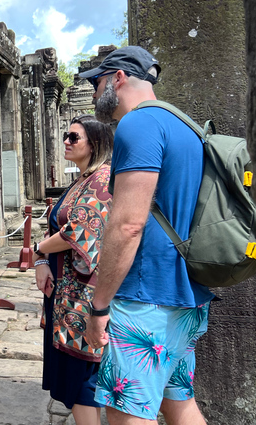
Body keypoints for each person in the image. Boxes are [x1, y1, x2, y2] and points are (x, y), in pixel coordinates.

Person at [81, 46, 213, 424]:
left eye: (97, 82)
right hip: (185, 296)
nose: (94, 92)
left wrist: (100, 305)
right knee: (179, 404)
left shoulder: (139, 124)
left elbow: (128, 224)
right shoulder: (185, 126)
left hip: (145, 297)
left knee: (126, 412)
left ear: (118, 78)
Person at [34, 114, 114, 425]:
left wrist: (39, 251)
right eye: (66, 136)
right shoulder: (82, 179)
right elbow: (57, 225)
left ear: (94, 144)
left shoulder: (102, 180)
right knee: (76, 376)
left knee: (81, 377)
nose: (66, 141)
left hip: (83, 293)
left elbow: (79, 231)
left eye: (73, 137)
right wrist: (41, 262)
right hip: (66, 291)